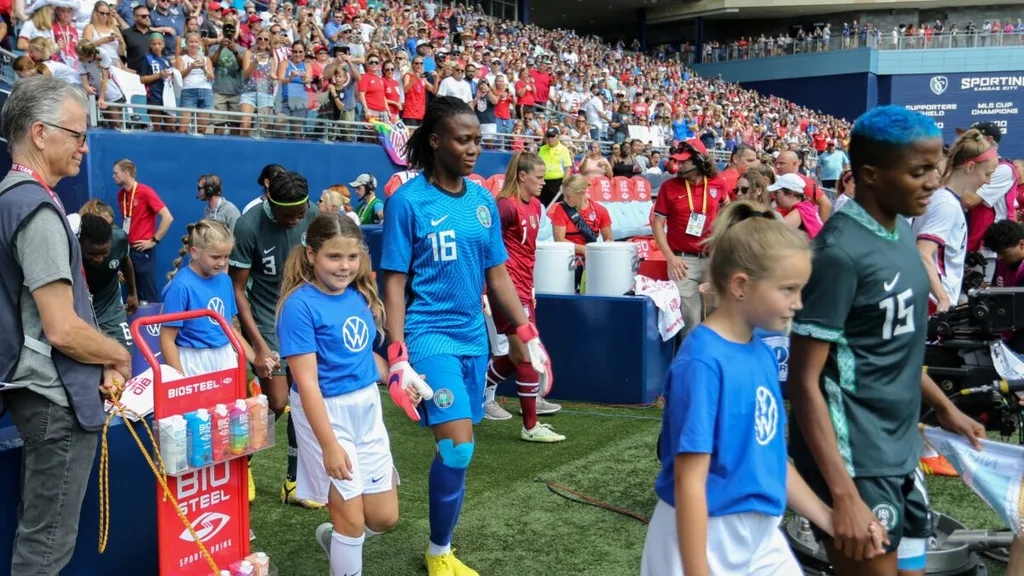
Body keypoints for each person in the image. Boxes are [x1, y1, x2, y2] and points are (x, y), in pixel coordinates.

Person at [788, 106, 986, 576]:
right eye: (918, 171)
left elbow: (892, 349)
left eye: (936, 167)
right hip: (854, 457)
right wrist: (843, 494)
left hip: (901, 448)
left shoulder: (899, 230)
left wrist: (944, 406)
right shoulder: (838, 253)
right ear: (871, 176)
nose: (933, 182)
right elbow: (803, 382)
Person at [641, 200, 878, 575]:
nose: (797, 304)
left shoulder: (761, 355)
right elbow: (690, 483)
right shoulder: (702, 362)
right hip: (705, 539)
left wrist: (831, 519)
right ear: (740, 285)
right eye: (788, 289)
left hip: (761, 535)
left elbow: (769, 459)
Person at [381, 96, 552, 576]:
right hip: (429, 334)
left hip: (473, 338)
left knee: (460, 449)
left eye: (478, 139)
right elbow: (393, 280)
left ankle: (442, 547)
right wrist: (397, 354)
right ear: (436, 141)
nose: (474, 148)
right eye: (463, 139)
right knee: (458, 446)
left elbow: (498, 276)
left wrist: (526, 332)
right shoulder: (407, 201)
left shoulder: (482, 202)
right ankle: (438, 554)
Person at [0, 75, 132, 576]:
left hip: (40, 393)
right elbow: (61, 328)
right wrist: (117, 355)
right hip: (54, 399)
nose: (84, 145)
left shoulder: (15, 198)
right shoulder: (34, 205)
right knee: (46, 549)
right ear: (39, 133)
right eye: (76, 134)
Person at [276, 214, 397, 576]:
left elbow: (362, 356)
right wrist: (328, 443)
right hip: (325, 415)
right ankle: (345, 543)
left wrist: (398, 375)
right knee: (351, 522)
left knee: (384, 517)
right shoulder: (299, 306)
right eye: (334, 257)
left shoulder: (358, 295)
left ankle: (338, 541)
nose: (344, 266)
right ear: (311, 255)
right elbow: (307, 382)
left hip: (367, 410)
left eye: (351, 257)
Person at [230, 169, 318, 507]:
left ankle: (295, 483)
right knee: (279, 402)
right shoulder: (248, 225)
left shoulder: (312, 215)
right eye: (288, 215)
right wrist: (259, 347)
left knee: (306, 401)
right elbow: (237, 290)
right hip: (265, 317)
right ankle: (243, 462)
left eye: (300, 212)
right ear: (269, 201)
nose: (296, 220)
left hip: (302, 315)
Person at [481, 150, 565, 438]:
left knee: (518, 356)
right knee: (527, 355)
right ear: (522, 176)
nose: (544, 182)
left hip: (522, 289)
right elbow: (485, 247)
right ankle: (530, 426)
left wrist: (530, 287)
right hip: (505, 289)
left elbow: (526, 252)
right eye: (539, 178)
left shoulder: (535, 205)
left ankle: (479, 394)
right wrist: (484, 290)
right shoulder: (505, 206)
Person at [651, 138, 727, 340]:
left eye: (684, 161)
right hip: (682, 261)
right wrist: (670, 258)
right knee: (691, 318)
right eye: (678, 161)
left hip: (713, 259)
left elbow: (728, 209)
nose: (679, 165)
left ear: (699, 160)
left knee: (714, 316)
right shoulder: (669, 187)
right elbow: (657, 224)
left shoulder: (718, 184)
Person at [913, 128, 994, 314]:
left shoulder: (942, 199)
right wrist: (943, 299)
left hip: (929, 299)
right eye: (987, 174)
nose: (988, 181)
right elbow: (922, 254)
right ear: (970, 167)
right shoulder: (946, 205)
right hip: (933, 304)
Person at [160, 220, 254, 377]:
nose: (222, 262)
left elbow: (228, 328)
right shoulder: (180, 286)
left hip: (225, 356)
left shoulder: (225, 280)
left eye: (226, 256)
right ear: (194, 252)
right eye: (215, 257)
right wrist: (180, 380)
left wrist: (255, 358)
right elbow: (167, 340)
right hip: (192, 360)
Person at [113, 158, 174, 302]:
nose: (113, 176)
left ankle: (152, 322)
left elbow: (167, 217)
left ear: (126, 173)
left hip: (142, 251)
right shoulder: (121, 195)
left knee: (146, 290)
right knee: (131, 291)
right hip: (127, 249)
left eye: (116, 173)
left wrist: (153, 240)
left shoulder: (145, 192)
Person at [78, 210, 139, 349]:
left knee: (124, 355)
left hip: (110, 304)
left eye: (104, 253)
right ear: (81, 244)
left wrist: (132, 293)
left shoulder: (120, 239)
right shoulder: (69, 247)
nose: (98, 259)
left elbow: (126, 261)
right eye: (92, 254)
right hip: (82, 308)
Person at [548, 174, 613, 290]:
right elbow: (559, 240)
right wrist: (583, 249)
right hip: (568, 263)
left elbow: (608, 238)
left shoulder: (600, 211)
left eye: (569, 196)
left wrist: (601, 250)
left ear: (582, 193)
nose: (565, 200)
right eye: (564, 196)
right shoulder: (560, 209)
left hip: (591, 263)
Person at [768, 173, 823, 239]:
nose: (774, 196)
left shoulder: (799, 211)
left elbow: (775, 236)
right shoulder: (806, 207)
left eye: (777, 193)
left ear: (790, 194)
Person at [537, 127, 573, 207]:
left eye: (552, 137)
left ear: (557, 137)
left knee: (557, 207)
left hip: (557, 183)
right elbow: (538, 165)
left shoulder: (564, 150)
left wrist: (564, 184)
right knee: (542, 207)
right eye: (548, 136)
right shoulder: (542, 149)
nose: (550, 139)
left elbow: (567, 169)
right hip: (543, 182)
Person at [983, 219, 1024, 288]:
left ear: (1021, 244)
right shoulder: (1002, 263)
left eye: (1003, 253)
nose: (999, 257)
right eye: (997, 253)